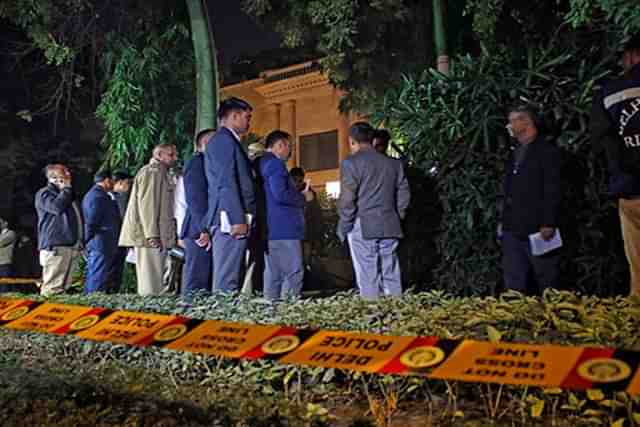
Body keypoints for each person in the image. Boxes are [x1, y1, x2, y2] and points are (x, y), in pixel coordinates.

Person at [337, 122, 411, 300]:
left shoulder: (350, 163)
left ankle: (373, 319)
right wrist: (398, 215)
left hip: (363, 225)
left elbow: (347, 200)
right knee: (391, 271)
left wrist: (344, 225)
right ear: (373, 139)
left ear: (352, 141)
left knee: (368, 275)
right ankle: (398, 313)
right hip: (389, 223)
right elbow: (404, 193)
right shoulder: (393, 164)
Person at [591, 34, 640, 296]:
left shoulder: (609, 92)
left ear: (632, 55)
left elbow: (601, 141)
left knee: (638, 267)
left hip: (630, 191)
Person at [500, 104, 562, 294]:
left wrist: (548, 222)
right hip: (513, 229)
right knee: (514, 281)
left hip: (538, 229)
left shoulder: (547, 152)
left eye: (513, 121)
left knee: (547, 280)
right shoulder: (514, 153)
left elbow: (553, 188)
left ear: (526, 121)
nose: (509, 126)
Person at [202, 97, 256, 293]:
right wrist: (236, 218)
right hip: (229, 219)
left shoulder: (227, 141)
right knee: (227, 280)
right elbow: (226, 181)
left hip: (231, 217)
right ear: (234, 116)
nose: (249, 122)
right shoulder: (223, 141)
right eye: (247, 117)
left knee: (231, 277)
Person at [259, 131, 313, 300]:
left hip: (270, 228)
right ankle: (288, 313)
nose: (291, 151)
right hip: (284, 228)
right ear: (280, 145)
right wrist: (303, 197)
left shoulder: (261, 162)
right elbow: (280, 194)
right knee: (293, 272)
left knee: (274, 274)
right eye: (290, 146)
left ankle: (272, 312)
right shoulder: (275, 164)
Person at [119, 143, 178, 296]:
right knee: (151, 284)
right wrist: (152, 234)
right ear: (158, 155)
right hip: (151, 237)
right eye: (170, 155)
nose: (174, 158)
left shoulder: (161, 172)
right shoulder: (152, 172)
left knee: (157, 280)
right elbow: (148, 205)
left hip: (157, 235)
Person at [35, 164, 84, 296]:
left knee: (65, 287)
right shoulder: (45, 193)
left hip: (70, 245)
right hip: (56, 246)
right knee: (52, 288)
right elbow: (56, 208)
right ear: (54, 178)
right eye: (65, 173)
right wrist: (66, 189)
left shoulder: (67, 194)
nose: (69, 175)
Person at [180, 128, 215, 296]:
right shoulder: (197, 163)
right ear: (206, 143)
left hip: (202, 228)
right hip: (198, 231)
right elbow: (195, 199)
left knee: (204, 279)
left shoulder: (207, 163)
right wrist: (204, 229)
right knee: (197, 279)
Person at [82, 171, 121, 294]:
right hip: (100, 243)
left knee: (100, 276)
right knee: (97, 276)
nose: (114, 183)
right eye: (112, 181)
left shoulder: (100, 195)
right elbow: (92, 221)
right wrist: (86, 240)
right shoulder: (97, 196)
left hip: (103, 242)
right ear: (106, 180)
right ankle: (92, 302)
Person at [290, 167, 323, 268]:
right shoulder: (288, 192)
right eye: (294, 180)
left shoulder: (309, 193)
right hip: (294, 233)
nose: (297, 183)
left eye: (299, 180)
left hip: (306, 233)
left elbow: (315, 215)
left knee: (305, 260)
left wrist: (316, 236)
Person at [108, 170, 132, 293]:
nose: (128, 187)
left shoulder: (118, 197)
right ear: (120, 183)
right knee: (112, 271)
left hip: (119, 240)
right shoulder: (116, 197)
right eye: (127, 183)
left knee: (116, 271)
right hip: (114, 239)